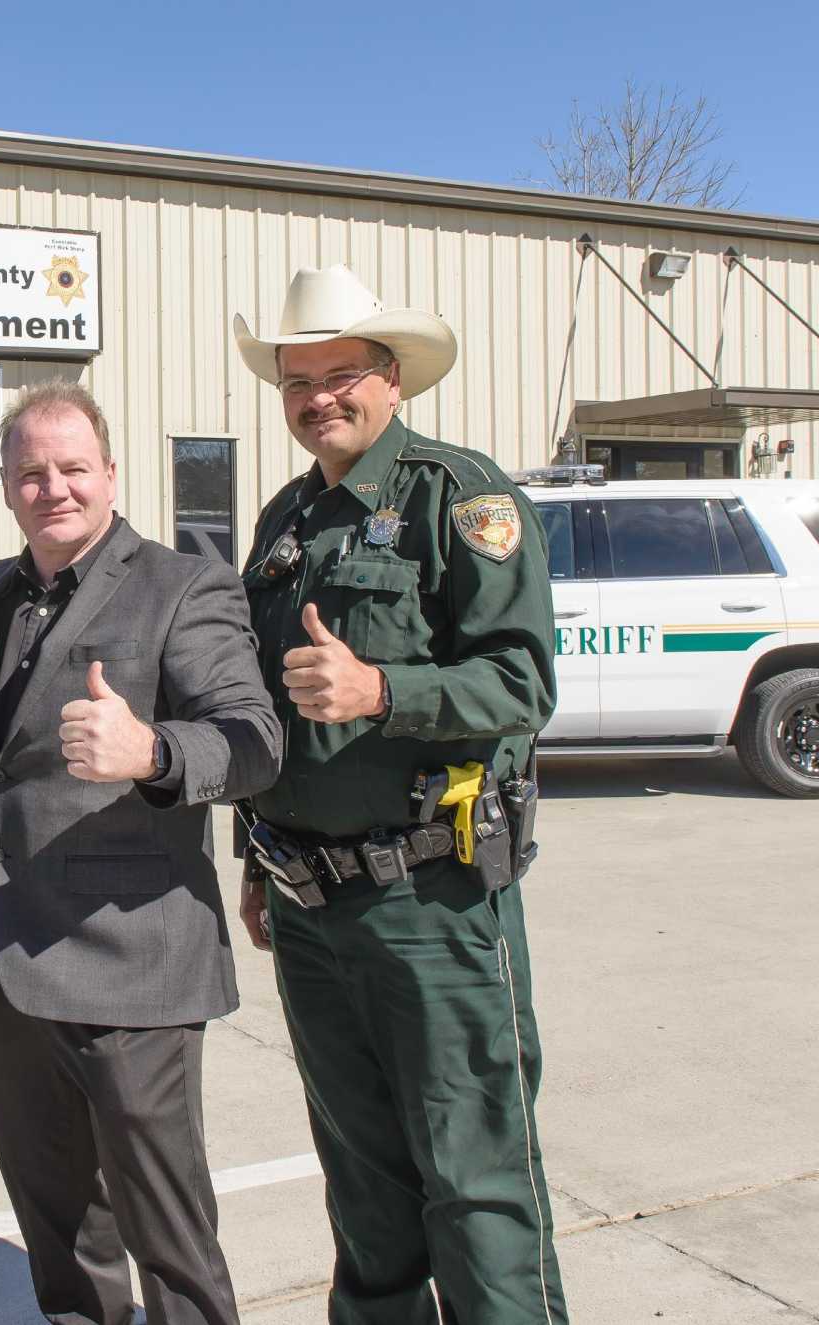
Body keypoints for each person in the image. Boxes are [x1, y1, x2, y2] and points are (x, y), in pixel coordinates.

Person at [229, 266, 567, 1324]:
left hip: (433, 901)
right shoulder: (287, 519)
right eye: (296, 380)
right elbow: (270, 713)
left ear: (390, 381)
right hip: (310, 903)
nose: (316, 398)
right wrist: (253, 855)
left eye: (339, 375)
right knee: (364, 1183)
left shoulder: (456, 497)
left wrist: (382, 689)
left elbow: (521, 684)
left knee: (473, 1176)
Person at [0, 381, 281, 1325]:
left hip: (132, 965)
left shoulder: (185, 586)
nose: (54, 488)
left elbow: (255, 738)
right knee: (57, 1226)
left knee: (168, 1233)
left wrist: (154, 752)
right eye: (31, 472)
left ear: (111, 474)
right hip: (6, 971)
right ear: (7, 487)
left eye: (73, 468)